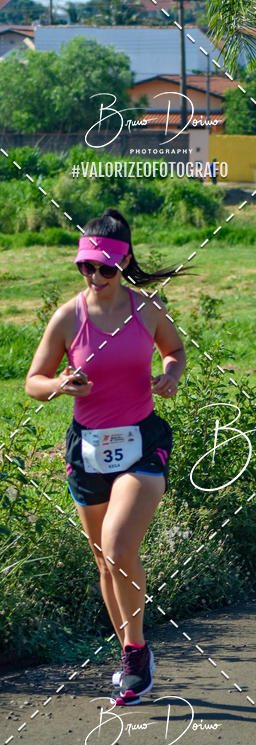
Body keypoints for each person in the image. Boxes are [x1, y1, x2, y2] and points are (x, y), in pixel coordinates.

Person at [25, 209, 187, 706]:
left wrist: (170, 374)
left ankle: (136, 655)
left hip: (142, 441)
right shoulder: (68, 317)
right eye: (86, 267)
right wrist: (59, 385)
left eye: (105, 268)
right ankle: (131, 653)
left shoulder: (147, 309)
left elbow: (175, 349)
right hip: (87, 448)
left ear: (124, 263)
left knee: (117, 546)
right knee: (104, 560)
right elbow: (33, 382)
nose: (95, 276)